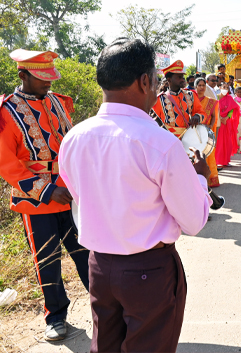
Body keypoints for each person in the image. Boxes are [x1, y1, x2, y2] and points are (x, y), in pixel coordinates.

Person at [58, 38, 211, 353]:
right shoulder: (160, 143)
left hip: (99, 267)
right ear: (145, 82)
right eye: (155, 80)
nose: (156, 89)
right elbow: (194, 220)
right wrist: (200, 179)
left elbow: (80, 196)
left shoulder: (74, 138)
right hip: (149, 271)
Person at [0, 49, 89, 342]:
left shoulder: (57, 101)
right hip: (36, 201)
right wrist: (48, 190)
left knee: (87, 253)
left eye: (50, 76)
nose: (48, 83)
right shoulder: (7, 112)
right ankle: (56, 316)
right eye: (42, 78)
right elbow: (7, 163)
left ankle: (109, 306)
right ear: (23, 75)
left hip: (71, 193)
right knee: (47, 261)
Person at [150, 60, 206, 138]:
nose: (183, 79)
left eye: (182, 77)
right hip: (168, 140)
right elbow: (153, 124)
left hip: (188, 139)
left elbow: (202, 113)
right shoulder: (160, 99)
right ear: (169, 79)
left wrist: (197, 116)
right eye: (179, 77)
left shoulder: (191, 95)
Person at [195, 77, 220, 188]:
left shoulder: (211, 101)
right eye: (199, 85)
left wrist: (210, 125)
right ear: (196, 87)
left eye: (203, 85)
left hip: (207, 131)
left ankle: (211, 179)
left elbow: (214, 116)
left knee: (208, 154)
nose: (202, 87)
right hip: (194, 132)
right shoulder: (191, 100)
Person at [215, 81, 240, 167]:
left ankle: (226, 161)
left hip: (226, 122)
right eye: (224, 87)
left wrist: (226, 118)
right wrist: (220, 118)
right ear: (220, 88)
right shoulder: (216, 97)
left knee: (227, 142)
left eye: (227, 88)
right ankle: (217, 161)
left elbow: (232, 109)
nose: (225, 89)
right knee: (218, 142)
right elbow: (214, 109)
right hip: (218, 122)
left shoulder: (229, 98)